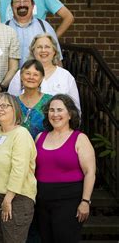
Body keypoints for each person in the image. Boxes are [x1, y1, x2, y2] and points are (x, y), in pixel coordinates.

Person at [35, 94, 96, 243]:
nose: (55, 114)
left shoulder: (79, 138)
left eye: (60, 110)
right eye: (51, 110)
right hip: (42, 201)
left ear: (70, 114)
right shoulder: (40, 137)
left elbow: (90, 172)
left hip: (69, 202)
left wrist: (85, 201)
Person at [0, 93, 37, 243]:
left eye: (5, 105)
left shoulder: (21, 134)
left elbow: (20, 168)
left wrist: (8, 198)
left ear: (15, 110)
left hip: (15, 199)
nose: (0, 109)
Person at [8, 33, 81, 112]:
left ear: (54, 51)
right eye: (39, 47)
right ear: (33, 51)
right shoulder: (21, 74)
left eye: (47, 47)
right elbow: (10, 103)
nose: (43, 50)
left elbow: (75, 110)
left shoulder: (65, 76)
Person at [6, 0, 62, 66]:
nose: (22, 4)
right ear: (12, 6)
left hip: (40, 77)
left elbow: (57, 59)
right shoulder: (4, 29)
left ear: (33, 5)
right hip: (11, 77)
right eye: (17, 1)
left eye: (26, 1)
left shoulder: (45, 27)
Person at [15, 59, 52, 139]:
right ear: (21, 76)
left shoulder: (50, 101)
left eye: (35, 75)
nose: (31, 77)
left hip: (43, 147)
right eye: (27, 73)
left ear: (41, 78)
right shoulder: (13, 102)